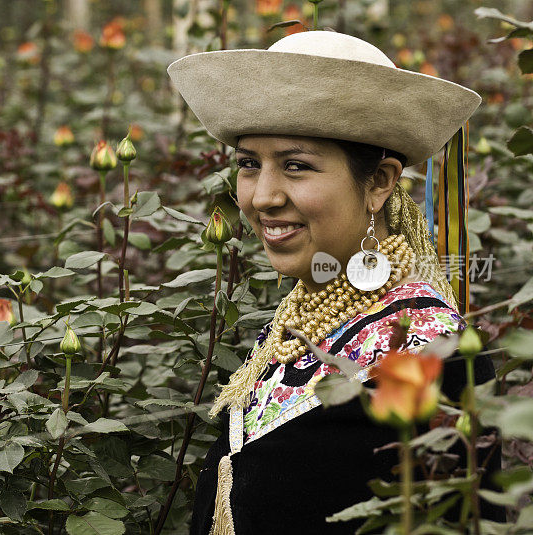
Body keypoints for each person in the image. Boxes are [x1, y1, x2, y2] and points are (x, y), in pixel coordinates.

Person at [166, 31, 503, 533]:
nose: (261, 197)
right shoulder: (298, 320)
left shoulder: (435, 354)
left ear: (380, 182)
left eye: (296, 166)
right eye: (249, 165)